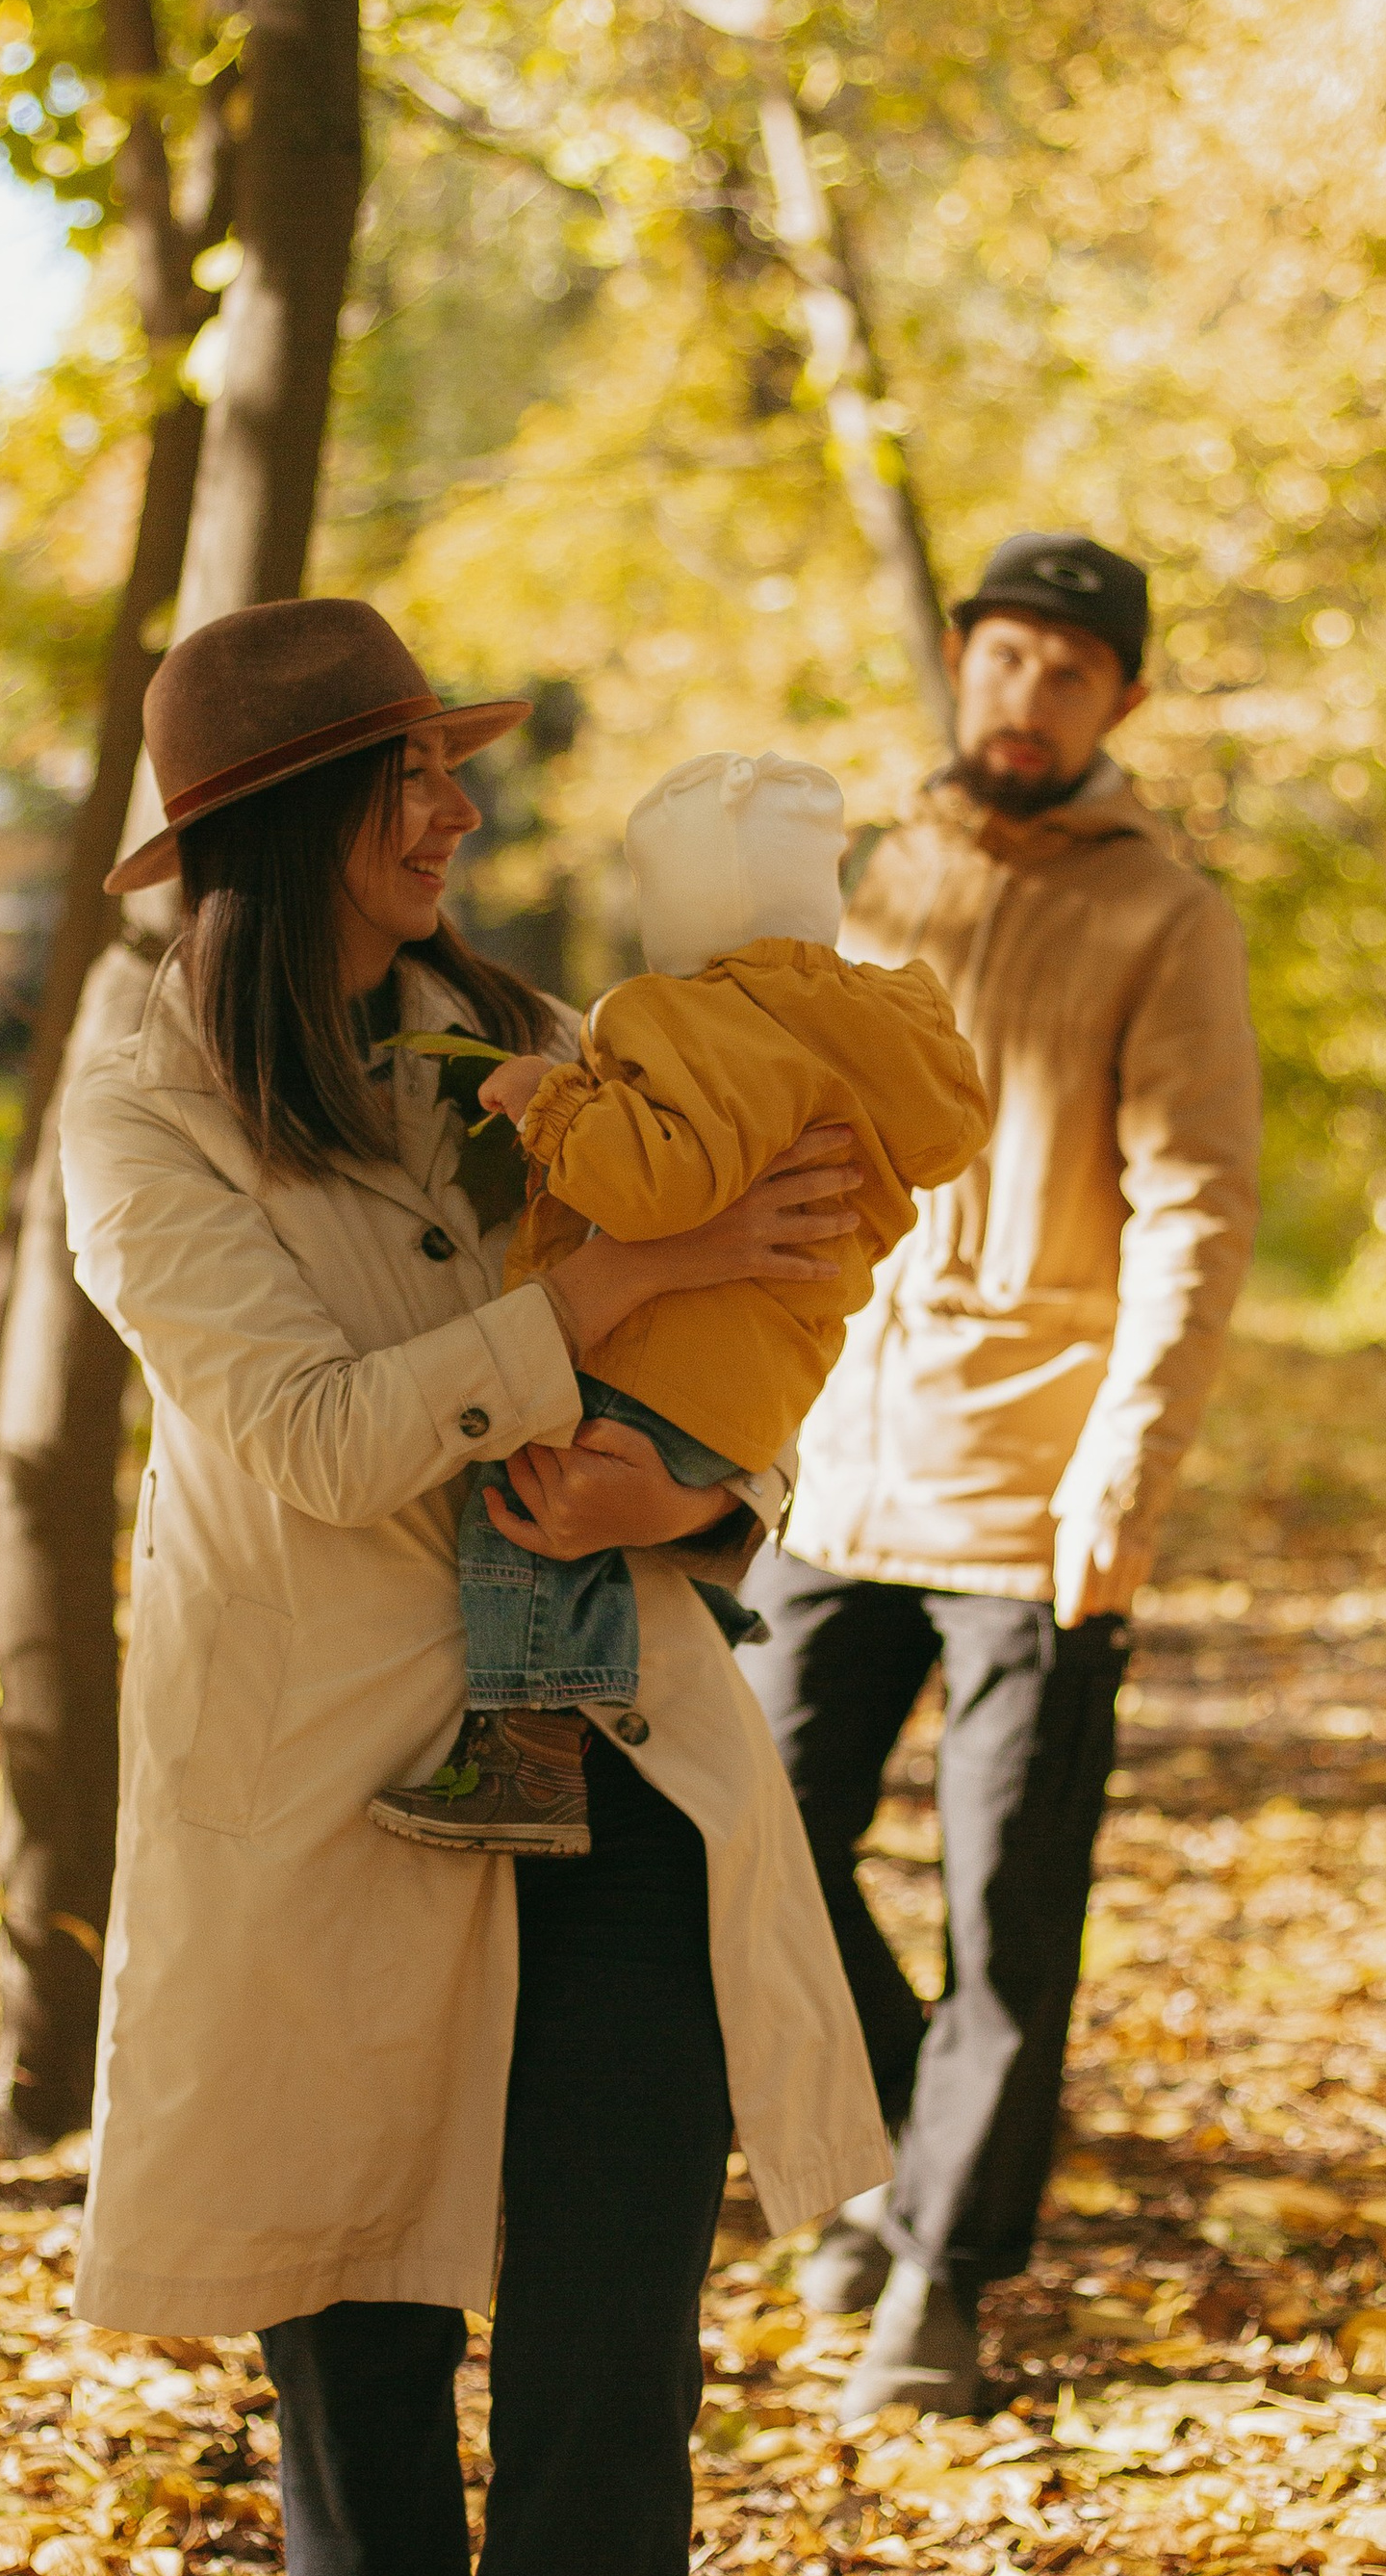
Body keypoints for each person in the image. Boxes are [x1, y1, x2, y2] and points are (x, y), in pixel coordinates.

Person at [59, 596, 889, 2576]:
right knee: (356, 2274)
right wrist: (620, 1285)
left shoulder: (536, 1046)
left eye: (452, 765)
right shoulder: (140, 1093)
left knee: (613, 2328)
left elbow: (765, 1322)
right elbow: (313, 1435)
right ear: (279, 828)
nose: (457, 811)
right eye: (408, 777)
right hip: (321, 1755)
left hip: (601, 1731)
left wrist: (709, 1473)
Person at [739, 532, 1261, 2423]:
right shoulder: (879, 880)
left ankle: (939, 2278)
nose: (1022, 697)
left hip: (1035, 1490)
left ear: (1115, 702)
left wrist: (1128, 1458)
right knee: (754, 1840)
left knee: (1003, 1910)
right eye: (1000, 659)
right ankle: (879, 2159)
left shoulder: (1163, 919)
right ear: (958, 665)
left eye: (1066, 671)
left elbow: (1194, 1210)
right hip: (836, 1474)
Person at [370, 747, 988, 1855]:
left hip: (658, 1360)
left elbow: (654, 1186)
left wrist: (545, 1104)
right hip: (763, 1392)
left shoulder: (689, 1017)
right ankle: (710, 1612)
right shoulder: (878, 1025)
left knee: (518, 1520)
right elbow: (944, 1140)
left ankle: (524, 1759)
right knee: (597, 1537)